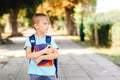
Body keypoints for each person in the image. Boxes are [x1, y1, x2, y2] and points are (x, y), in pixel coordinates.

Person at [24, 13, 60, 80]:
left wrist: (41, 58)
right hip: (35, 73)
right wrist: (44, 51)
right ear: (36, 26)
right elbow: (28, 55)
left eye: (48, 24)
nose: (48, 26)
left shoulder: (49, 40)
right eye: (45, 24)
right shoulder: (31, 40)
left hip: (49, 73)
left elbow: (56, 54)